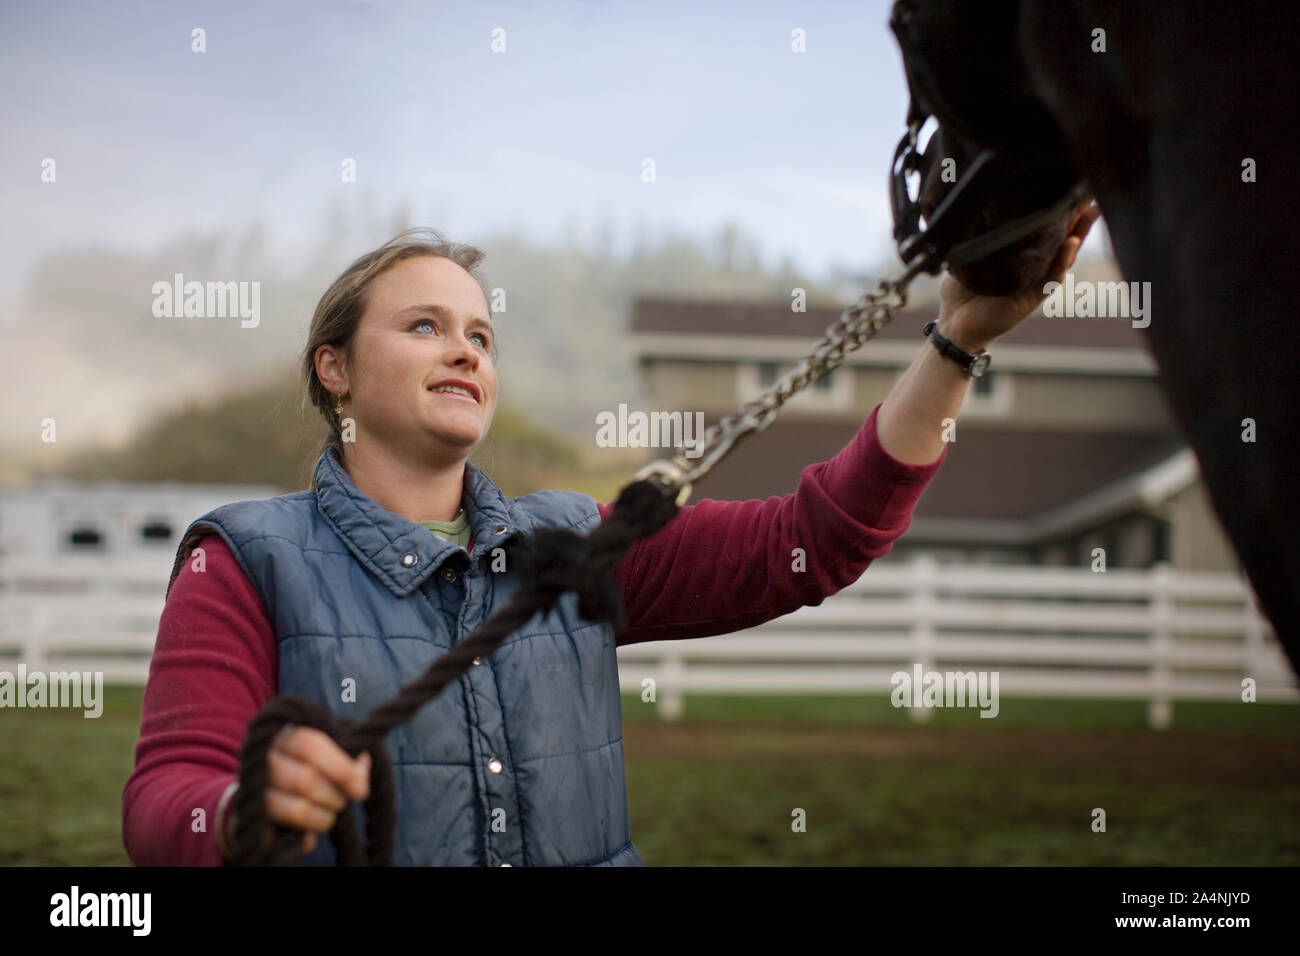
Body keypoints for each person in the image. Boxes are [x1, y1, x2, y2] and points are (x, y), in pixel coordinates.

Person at [122, 206, 1099, 866]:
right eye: (423, 325)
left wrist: (957, 341)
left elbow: (814, 540)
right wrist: (244, 808)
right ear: (332, 367)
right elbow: (163, 798)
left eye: (480, 334)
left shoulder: (573, 547)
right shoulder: (244, 558)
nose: (465, 346)